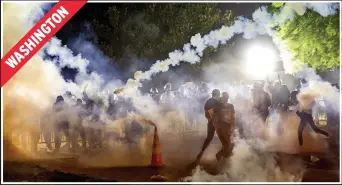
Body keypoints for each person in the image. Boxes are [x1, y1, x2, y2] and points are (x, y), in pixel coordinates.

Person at [196, 89, 221, 163]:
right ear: (216, 95)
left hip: (219, 123)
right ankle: (201, 153)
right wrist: (211, 120)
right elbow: (206, 113)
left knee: (221, 138)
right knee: (209, 137)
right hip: (212, 123)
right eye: (218, 95)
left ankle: (220, 154)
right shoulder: (210, 102)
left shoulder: (218, 102)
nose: (218, 96)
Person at [215, 92, 236, 161]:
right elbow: (215, 117)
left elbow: (233, 117)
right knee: (227, 144)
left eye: (226, 97)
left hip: (228, 126)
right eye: (224, 97)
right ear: (222, 98)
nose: (225, 99)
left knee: (228, 143)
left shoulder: (231, 106)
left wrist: (233, 126)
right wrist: (217, 127)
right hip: (222, 126)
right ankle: (222, 157)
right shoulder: (218, 106)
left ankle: (221, 157)